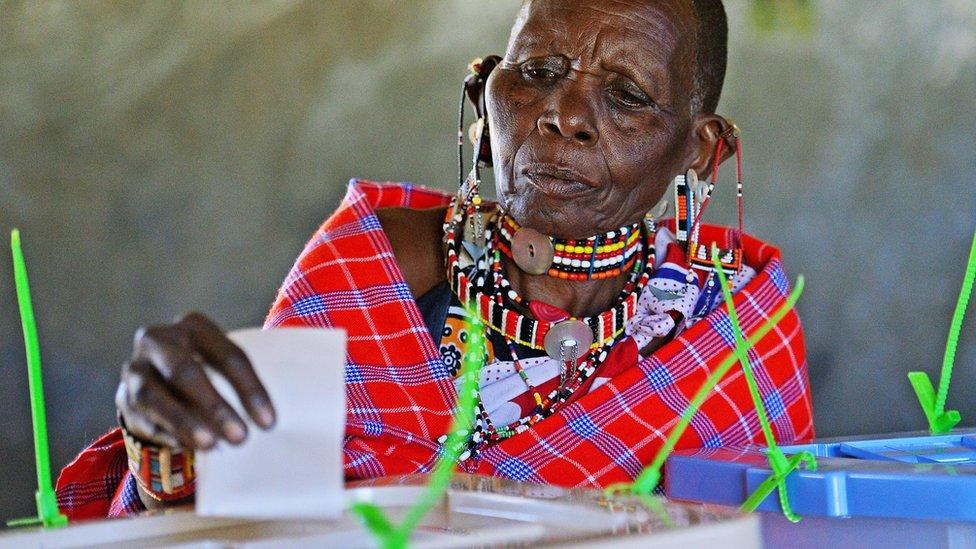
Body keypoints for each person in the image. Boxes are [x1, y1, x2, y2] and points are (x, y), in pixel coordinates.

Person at [55, 0, 814, 520]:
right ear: (486, 96)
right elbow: (235, 512)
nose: (565, 116)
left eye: (626, 94)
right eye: (540, 72)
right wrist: (165, 449)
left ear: (701, 150)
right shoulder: (371, 267)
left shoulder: (737, 332)